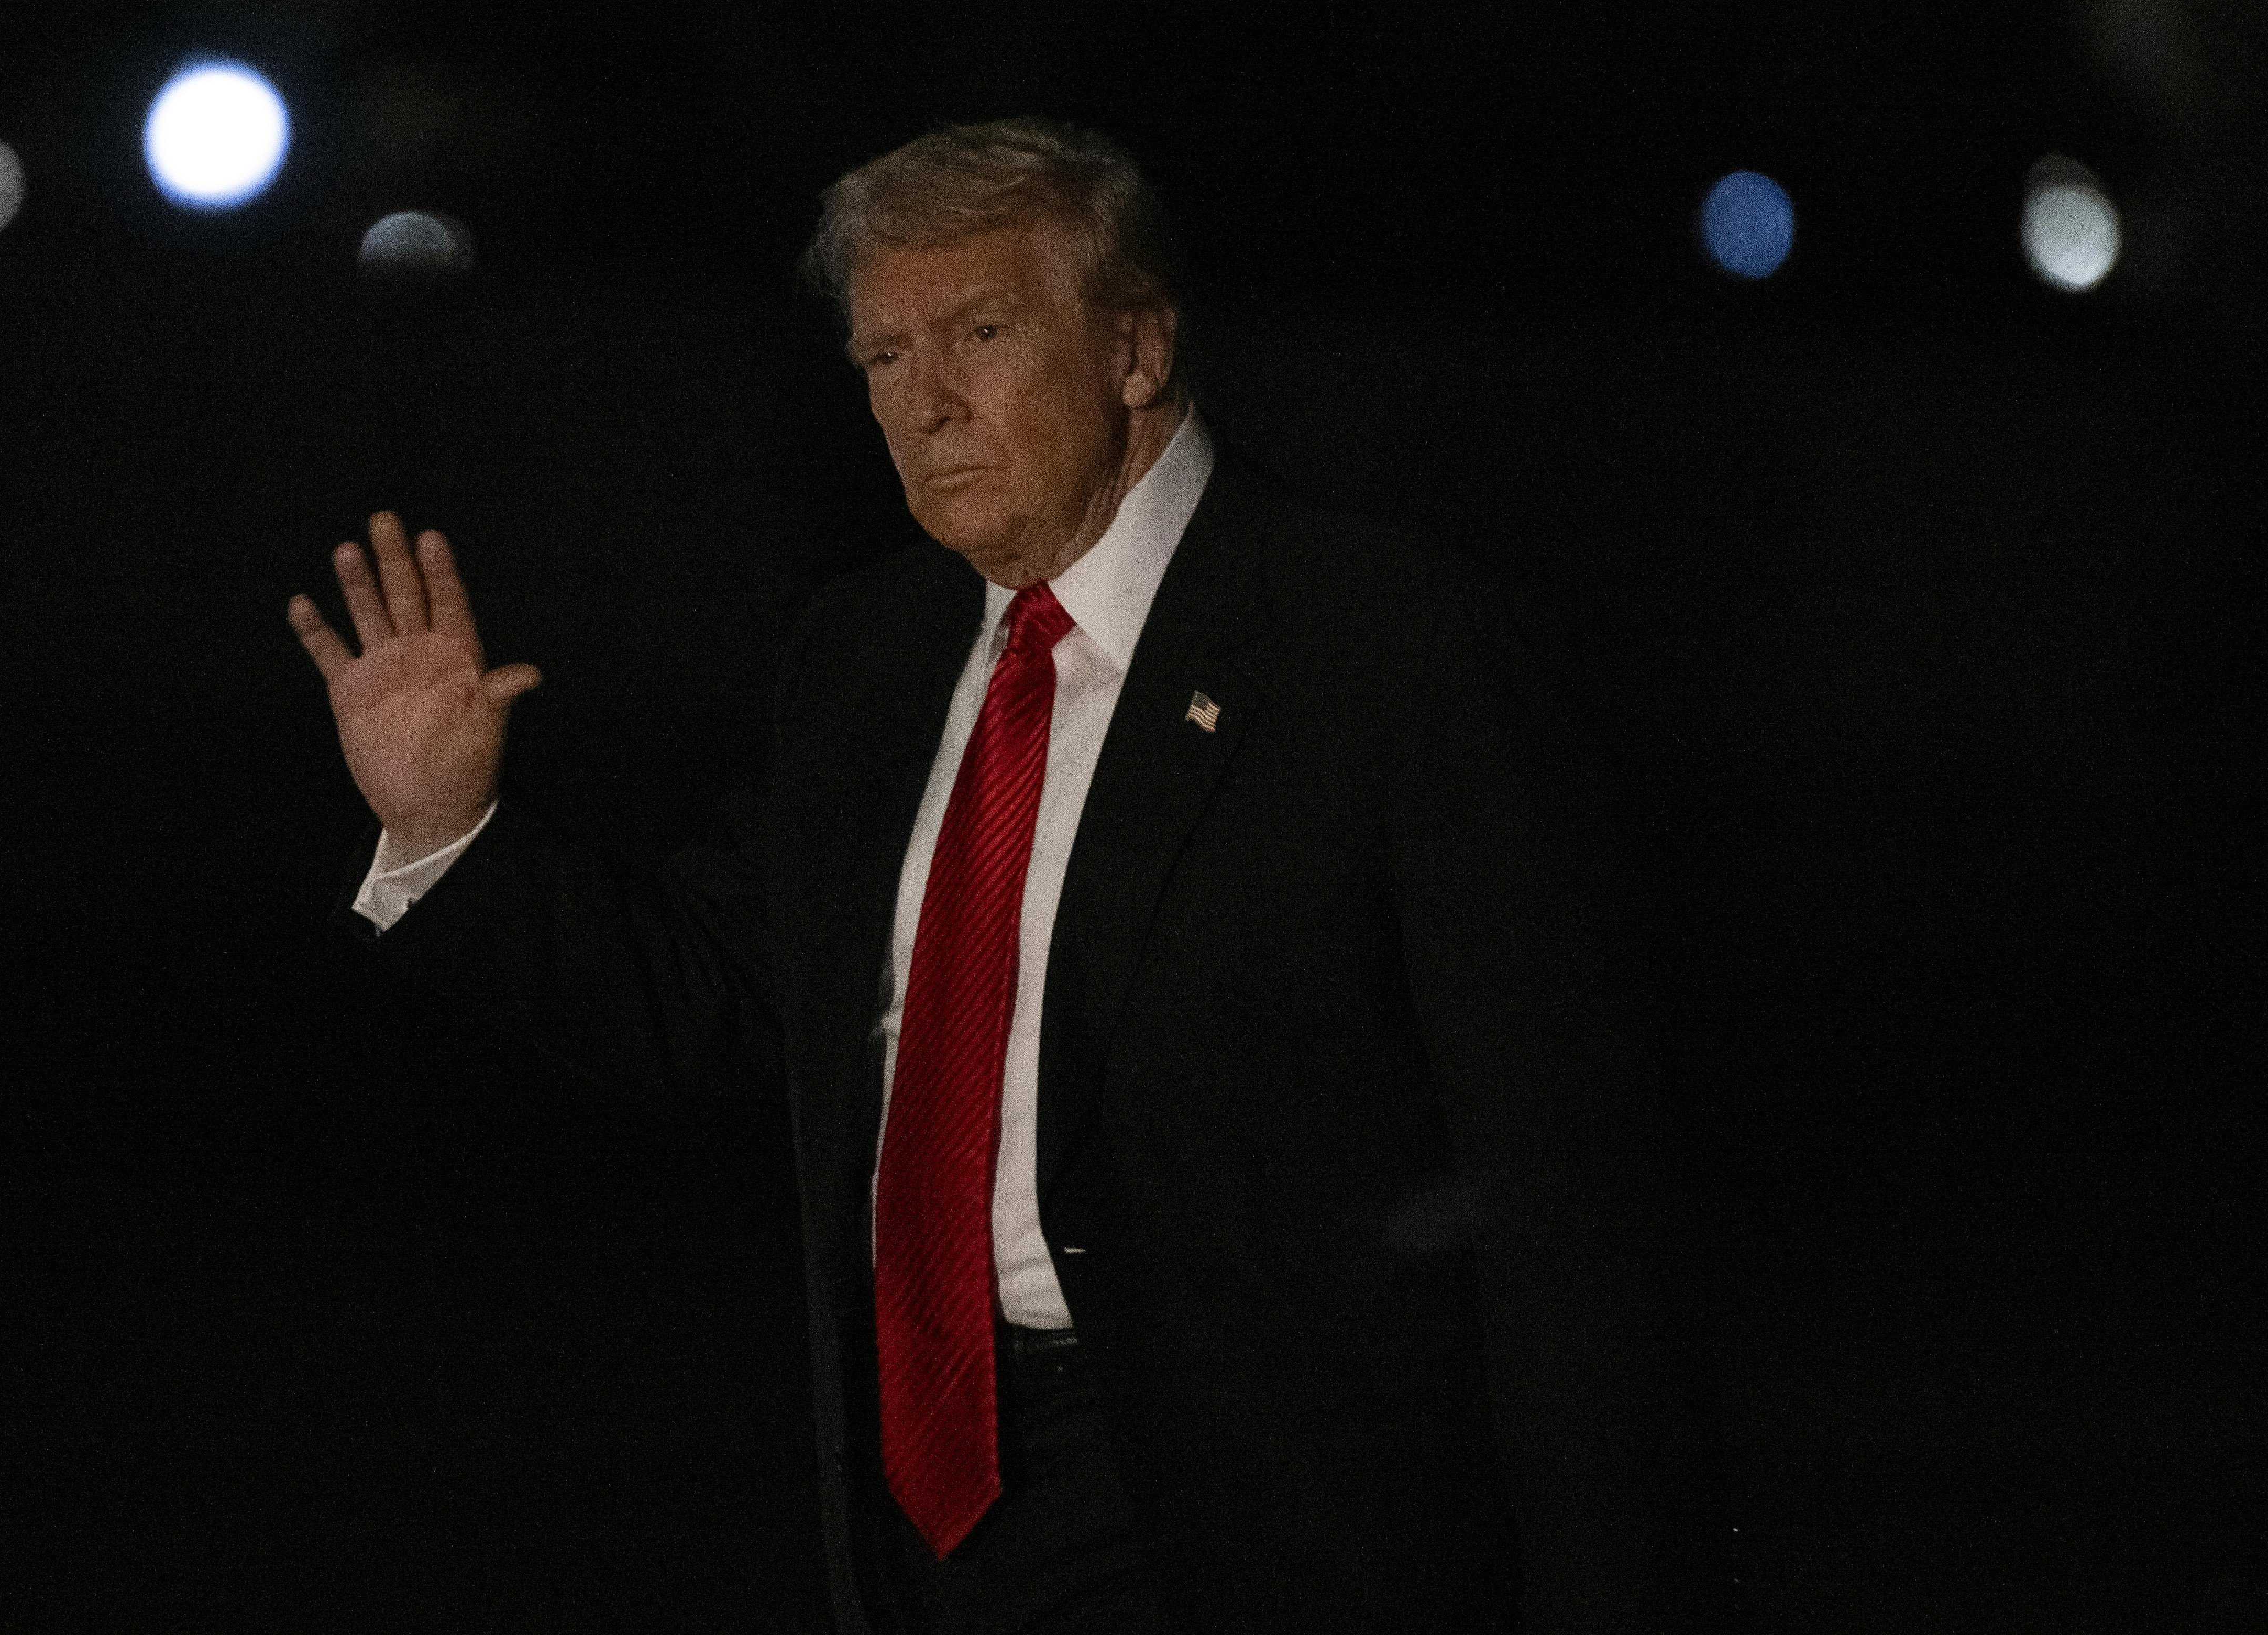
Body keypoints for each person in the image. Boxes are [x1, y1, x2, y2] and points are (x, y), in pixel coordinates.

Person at [288, 120, 1725, 1632]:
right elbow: (710, 1001)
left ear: (1136, 349)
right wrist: (449, 833)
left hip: (1281, 1522)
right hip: (934, 1513)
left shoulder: (1382, 646)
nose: (925, 404)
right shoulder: (866, 659)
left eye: (979, 333)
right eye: (882, 358)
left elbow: (1566, 1184)